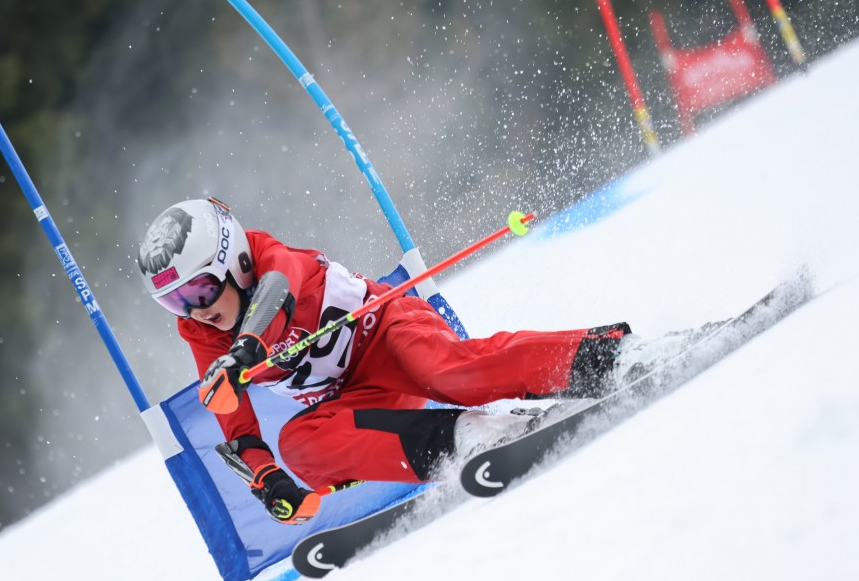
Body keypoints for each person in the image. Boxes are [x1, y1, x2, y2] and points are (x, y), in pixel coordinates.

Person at [137, 198, 635, 525]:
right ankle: (471, 436)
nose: (196, 310)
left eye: (200, 289)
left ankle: (610, 355)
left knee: (449, 373)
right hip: (359, 397)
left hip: (391, 334)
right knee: (300, 445)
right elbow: (238, 424)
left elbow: (277, 294)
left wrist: (243, 351)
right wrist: (268, 480)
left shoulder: (271, 259)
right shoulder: (202, 331)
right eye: (175, 302)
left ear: (235, 261)